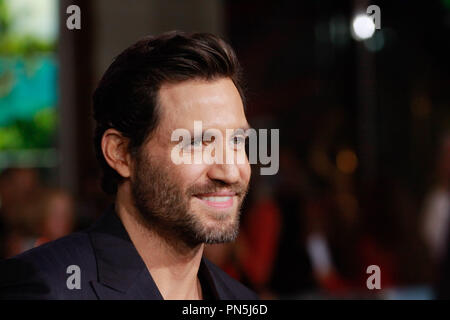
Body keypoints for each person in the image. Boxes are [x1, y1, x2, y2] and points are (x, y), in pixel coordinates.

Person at [0, 31, 257, 300]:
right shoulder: (46, 288)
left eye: (237, 141)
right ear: (121, 154)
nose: (229, 172)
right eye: (195, 143)